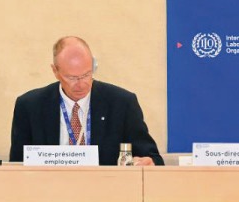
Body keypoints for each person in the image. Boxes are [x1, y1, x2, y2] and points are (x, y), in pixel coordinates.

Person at [9, 36, 163, 165]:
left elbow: (153, 158)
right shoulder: (29, 106)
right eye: (72, 78)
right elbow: (16, 166)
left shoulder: (122, 103)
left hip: (107, 189)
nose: (81, 84)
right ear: (55, 71)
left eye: (86, 74)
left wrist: (148, 162)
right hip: (48, 189)